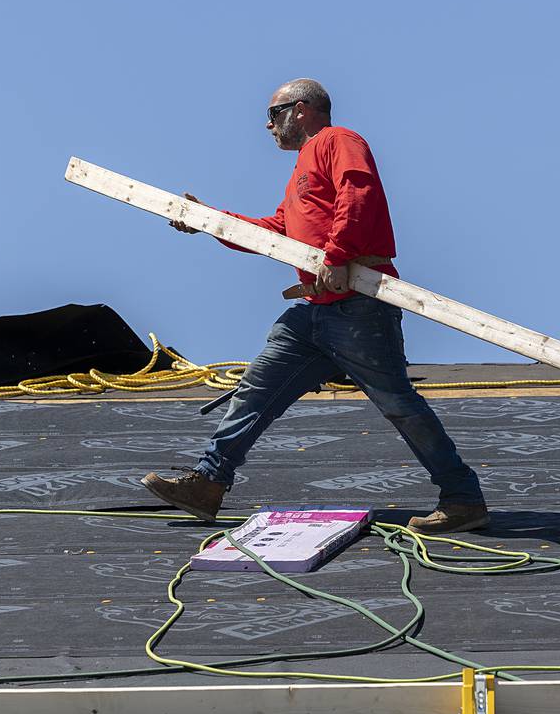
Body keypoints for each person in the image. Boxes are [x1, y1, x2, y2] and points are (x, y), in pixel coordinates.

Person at [141, 78, 489, 534]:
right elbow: (277, 230)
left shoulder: (337, 141)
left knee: (398, 403)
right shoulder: (302, 170)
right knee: (257, 390)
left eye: (274, 113)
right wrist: (211, 222)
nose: (268, 125)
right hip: (314, 311)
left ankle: (463, 498)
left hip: (359, 306)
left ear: (301, 109)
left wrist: (338, 253)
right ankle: (208, 482)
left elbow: (357, 190)